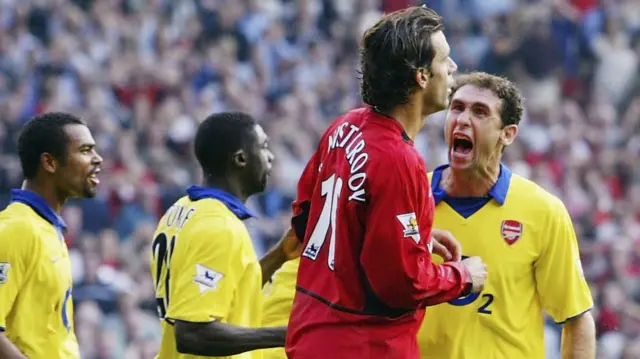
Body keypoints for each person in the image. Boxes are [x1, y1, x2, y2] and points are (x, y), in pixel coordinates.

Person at [284, 6, 488, 359]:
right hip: (363, 346)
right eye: (446, 59)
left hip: (311, 335)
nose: (454, 68)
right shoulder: (398, 159)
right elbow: (401, 283)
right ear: (422, 76)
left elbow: (306, 217)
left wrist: (413, 239)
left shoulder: (344, 127)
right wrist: (461, 276)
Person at [416, 72, 596, 358]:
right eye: (457, 107)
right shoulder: (410, 196)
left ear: (508, 134)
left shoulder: (543, 211)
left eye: (480, 112)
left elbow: (576, 318)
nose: (463, 119)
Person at [150, 112, 300, 359]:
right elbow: (192, 333)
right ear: (241, 159)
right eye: (263, 147)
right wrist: (287, 334)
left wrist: (279, 256)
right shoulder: (219, 226)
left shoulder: (181, 209)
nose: (270, 157)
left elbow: (226, 290)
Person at [0, 112, 103, 359]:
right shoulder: (17, 229)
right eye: (85, 150)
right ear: (50, 163)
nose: (97, 159)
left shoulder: (47, 228)